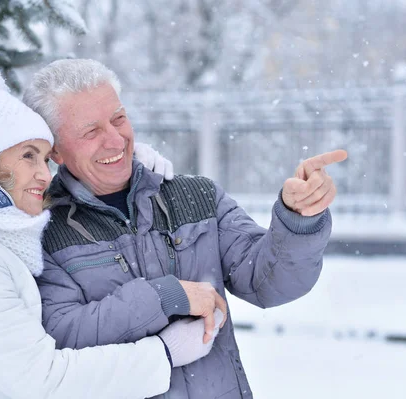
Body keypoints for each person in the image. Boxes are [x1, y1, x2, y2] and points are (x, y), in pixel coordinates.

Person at [23, 58, 348, 399]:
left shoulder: (195, 197)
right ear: (55, 151)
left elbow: (269, 283)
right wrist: (163, 297)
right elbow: (61, 336)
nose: (116, 140)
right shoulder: (43, 230)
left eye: (119, 118)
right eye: (91, 131)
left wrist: (298, 218)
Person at [0, 63, 220, 399]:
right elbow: (42, 380)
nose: (45, 175)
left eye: (45, 159)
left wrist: (127, 168)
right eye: (28, 156)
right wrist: (163, 354)